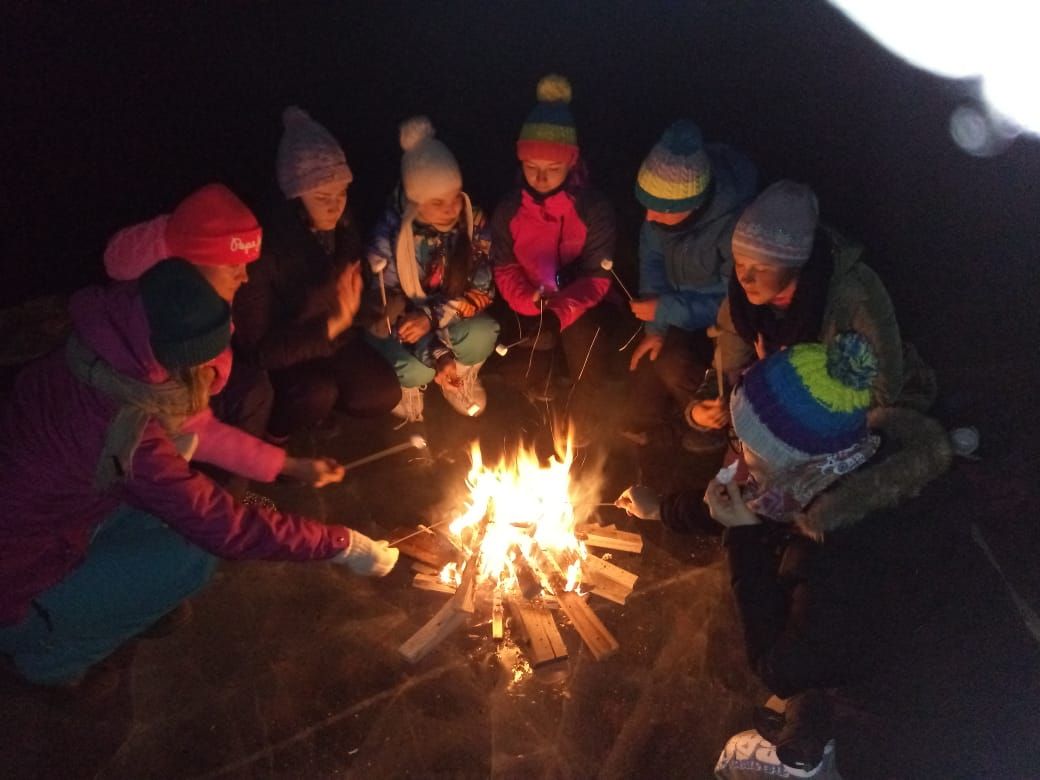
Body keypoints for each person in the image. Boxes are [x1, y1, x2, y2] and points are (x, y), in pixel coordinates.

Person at [619, 334, 1037, 776]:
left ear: (789, 460)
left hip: (946, 740)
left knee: (736, 760)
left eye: (748, 447)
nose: (739, 457)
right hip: (975, 668)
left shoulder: (848, 560)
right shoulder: (862, 461)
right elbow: (762, 502)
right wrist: (662, 509)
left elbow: (780, 669)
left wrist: (741, 536)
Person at [0, 259, 398, 690]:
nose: (213, 376)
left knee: (175, 517)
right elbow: (228, 528)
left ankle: (113, 597)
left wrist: (287, 464)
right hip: (17, 575)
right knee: (193, 554)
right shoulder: (128, 431)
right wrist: (341, 544)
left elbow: (197, 427)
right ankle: (52, 660)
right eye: (207, 363)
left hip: (56, 512)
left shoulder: (113, 342)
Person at [103, 183, 338, 498]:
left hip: (183, 397)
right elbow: (199, 429)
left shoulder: (194, 296)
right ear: (191, 264)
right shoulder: (154, 351)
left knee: (254, 391)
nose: (245, 277)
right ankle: (222, 498)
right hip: (108, 496)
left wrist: (290, 465)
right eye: (234, 266)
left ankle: (227, 493)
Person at [685, 180, 935, 451]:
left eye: (762, 267)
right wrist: (701, 410)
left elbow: (880, 390)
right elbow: (725, 369)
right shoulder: (742, 301)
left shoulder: (852, 295)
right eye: (740, 263)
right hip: (784, 400)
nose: (745, 278)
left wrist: (780, 381)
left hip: (856, 407)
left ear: (795, 264)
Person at [233, 106, 402, 440]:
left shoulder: (343, 226)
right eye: (323, 196)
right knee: (316, 393)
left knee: (383, 393)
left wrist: (372, 309)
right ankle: (278, 435)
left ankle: (318, 414)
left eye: (342, 193)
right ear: (295, 197)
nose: (335, 206)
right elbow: (258, 350)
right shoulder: (264, 248)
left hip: (334, 341)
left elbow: (350, 295)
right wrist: (332, 324)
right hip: (287, 357)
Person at [490, 74, 616, 436]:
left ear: (572, 164)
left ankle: (583, 423)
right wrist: (530, 303)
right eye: (531, 167)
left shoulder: (592, 209)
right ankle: (536, 406)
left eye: (552, 168)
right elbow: (504, 267)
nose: (541, 178)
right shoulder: (510, 209)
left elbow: (597, 279)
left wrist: (557, 313)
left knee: (584, 343)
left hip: (578, 306)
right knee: (519, 371)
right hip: (529, 305)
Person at [623, 119, 757, 445]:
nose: (649, 217)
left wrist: (664, 310)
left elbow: (735, 301)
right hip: (678, 311)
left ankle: (713, 425)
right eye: (648, 206)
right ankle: (655, 431)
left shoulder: (735, 226)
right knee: (644, 378)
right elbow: (652, 269)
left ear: (693, 204)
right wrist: (655, 330)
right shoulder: (657, 221)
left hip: (726, 322)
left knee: (673, 365)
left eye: (661, 210)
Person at [365, 116, 499, 422]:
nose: (452, 209)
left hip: (442, 316)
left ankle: (457, 377)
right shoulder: (388, 236)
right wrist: (436, 352)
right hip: (400, 325)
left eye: (455, 197)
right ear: (415, 200)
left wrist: (430, 318)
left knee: (484, 332)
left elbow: (481, 290)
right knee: (415, 369)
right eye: (438, 202)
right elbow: (388, 311)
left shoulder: (473, 221)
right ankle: (409, 387)